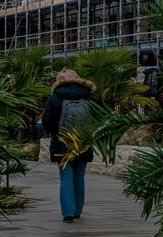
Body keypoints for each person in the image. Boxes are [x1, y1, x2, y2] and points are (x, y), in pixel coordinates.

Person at [41, 69, 96, 224]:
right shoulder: (89, 95)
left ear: (59, 80)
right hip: (83, 142)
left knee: (66, 177)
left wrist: (56, 133)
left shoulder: (56, 96)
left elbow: (47, 121)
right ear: (78, 78)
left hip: (62, 142)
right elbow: (97, 117)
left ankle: (68, 212)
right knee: (79, 177)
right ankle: (78, 210)